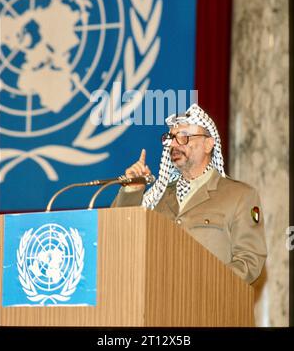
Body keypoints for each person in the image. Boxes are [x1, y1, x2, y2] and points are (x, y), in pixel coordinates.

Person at [111, 103, 267, 284]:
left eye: (184, 137)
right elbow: (118, 236)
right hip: (158, 305)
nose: (174, 144)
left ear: (208, 144)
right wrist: (133, 190)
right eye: (172, 138)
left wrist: (201, 284)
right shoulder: (158, 196)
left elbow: (249, 262)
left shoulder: (239, 196)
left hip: (210, 307)